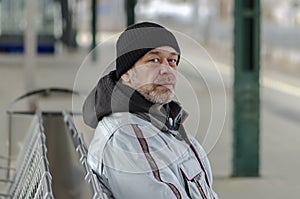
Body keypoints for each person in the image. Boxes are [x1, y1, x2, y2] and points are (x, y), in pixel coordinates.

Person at [83, 22, 218, 199]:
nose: (166, 70)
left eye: (172, 61)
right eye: (154, 60)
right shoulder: (127, 136)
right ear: (126, 73)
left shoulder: (165, 121)